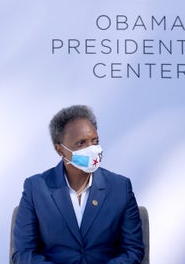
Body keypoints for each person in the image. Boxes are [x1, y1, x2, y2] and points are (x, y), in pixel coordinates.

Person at [12, 105, 144, 263]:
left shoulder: (120, 188)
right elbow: (24, 253)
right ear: (60, 150)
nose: (92, 149)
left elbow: (133, 250)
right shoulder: (36, 188)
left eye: (95, 141)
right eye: (81, 143)